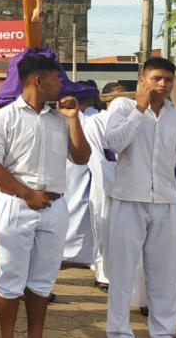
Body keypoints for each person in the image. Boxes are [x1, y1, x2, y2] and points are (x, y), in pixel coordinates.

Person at [0, 54, 91, 338]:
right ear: (39, 80)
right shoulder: (4, 118)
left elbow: (81, 157)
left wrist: (74, 119)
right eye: (57, 78)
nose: (60, 85)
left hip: (54, 207)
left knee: (42, 281)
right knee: (11, 278)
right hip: (17, 205)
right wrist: (27, 194)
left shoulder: (60, 119)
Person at [103, 57, 176, 338]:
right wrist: (140, 108)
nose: (162, 84)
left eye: (168, 80)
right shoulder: (123, 106)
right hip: (128, 200)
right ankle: (119, 332)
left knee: (165, 274)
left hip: (166, 203)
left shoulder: (174, 114)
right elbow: (113, 143)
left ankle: (163, 331)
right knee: (122, 272)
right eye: (156, 78)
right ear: (142, 80)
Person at [82, 81, 127, 293]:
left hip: (131, 186)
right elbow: (97, 159)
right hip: (105, 185)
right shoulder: (95, 122)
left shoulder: (132, 122)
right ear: (105, 99)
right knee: (104, 229)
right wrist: (114, 187)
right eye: (116, 97)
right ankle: (104, 275)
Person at [61, 83, 101, 268]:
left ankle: (76, 252)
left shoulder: (92, 119)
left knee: (80, 205)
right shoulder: (91, 118)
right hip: (71, 166)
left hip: (81, 166)